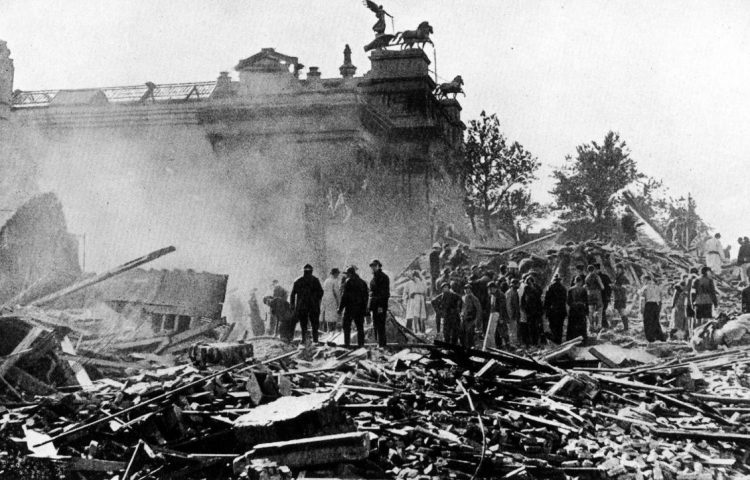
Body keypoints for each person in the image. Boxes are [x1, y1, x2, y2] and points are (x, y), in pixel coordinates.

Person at [290, 264, 324, 344]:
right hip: (313, 306)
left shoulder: (298, 281)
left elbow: (292, 294)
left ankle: (304, 339)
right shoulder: (315, 280)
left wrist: (292, 306)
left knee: (303, 324)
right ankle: (315, 340)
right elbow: (321, 292)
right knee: (314, 324)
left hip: (302, 306)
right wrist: (316, 299)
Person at [338, 266, 369, 347]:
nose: (346, 276)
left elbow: (345, 297)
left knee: (346, 327)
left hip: (350, 308)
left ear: (350, 274)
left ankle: (347, 344)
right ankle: (361, 345)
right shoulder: (363, 282)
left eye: (347, 274)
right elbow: (366, 297)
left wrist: (340, 309)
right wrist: (365, 308)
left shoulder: (348, 282)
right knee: (360, 328)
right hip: (360, 309)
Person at [368, 259, 390, 348]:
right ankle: (379, 343)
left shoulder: (383, 277)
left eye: (374, 266)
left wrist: (380, 306)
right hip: (374, 305)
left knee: (380, 324)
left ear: (379, 266)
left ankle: (382, 344)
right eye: (372, 266)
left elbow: (385, 294)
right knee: (375, 324)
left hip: (380, 305)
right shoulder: (373, 278)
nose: (373, 268)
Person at [640, 275, 666, 342]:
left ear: (646, 280)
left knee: (647, 321)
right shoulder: (657, 287)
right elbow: (661, 299)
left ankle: (650, 338)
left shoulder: (645, 288)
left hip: (648, 305)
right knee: (655, 321)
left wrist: (641, 308)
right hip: (656, 305)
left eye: (643, 280)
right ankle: (660, 337)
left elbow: (642, 299)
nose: (642, 282)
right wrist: (659, 308)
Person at [544, 274, 568, 344]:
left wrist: (546, 310)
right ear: (560, 280)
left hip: (553, 310)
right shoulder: (563, 288)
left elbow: (547, 300)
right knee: (560, 326)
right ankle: (559, 341)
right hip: (561, 310)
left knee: (553, 326)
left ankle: (555, 340)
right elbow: (565, 300)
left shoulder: (550, 287)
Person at [521, 276, 544, 346]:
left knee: (538, 326)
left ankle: (539, 341)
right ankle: (534, 342)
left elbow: (539, 293)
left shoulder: (537, 287)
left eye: (531, 281)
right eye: (528, 281)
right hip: (530, 311)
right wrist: (524, 308)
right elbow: (524, 299)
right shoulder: (526, 288)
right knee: (531, 327)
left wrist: (533, 287)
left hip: (537, 311)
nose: (530, 282)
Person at [488, 281, 510, 348]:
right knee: (496, 332)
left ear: (494, 288)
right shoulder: (492, 295)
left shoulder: (500, 295)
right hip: (495, 316)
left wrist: (501, 318)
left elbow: (502, 307)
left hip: (501, 316)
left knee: (503, 331)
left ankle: (508, 345)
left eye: (491, 288)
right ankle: (499, 346)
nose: (490, 290)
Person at [567, 276, 589, 341]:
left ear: (575, 282)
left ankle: (571, 339)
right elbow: (586, 301)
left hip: (573, 309)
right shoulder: (584, 290)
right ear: (581, 282)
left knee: (572, 324)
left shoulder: (570, 289)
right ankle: (582, 340)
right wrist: (586, 310)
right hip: (581, 309)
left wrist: (573, 304)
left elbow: (568, 301)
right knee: (581, 325)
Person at [460, 283, 482, 348]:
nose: (467, 291)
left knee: (470, 335)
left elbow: (479, 309)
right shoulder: (463, 297)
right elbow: (461, 308)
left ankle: (470, 348)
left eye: (468, 289)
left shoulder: (474, 298)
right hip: (463, 318)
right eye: (466, 289)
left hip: (471, 319)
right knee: (462, 334)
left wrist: (476, 320)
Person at [321, 268, 342, 333]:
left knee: (328, 317)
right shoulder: (334, 281)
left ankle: (329, 331)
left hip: (326, 301)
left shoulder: (326, 281)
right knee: (333, 318)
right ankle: (332, 332)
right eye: (337, 273)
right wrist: (339, 303)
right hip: (333, 301)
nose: (338, 275)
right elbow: (337, 293)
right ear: (335, 273)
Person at [585, 265, 605, 332]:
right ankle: (599, 326)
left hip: (589, 294)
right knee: (600, 309)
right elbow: (602, 287)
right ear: (594, 269)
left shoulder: (586, 277)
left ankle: (591, 326)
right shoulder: (596, 276)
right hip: (597, 294)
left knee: (591, 311)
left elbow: (586, 287)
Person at [612, 264, 630, 331]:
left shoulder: (623, 277)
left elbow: (625, 287)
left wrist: (615, 287)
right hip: (618, 296)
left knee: (622, 310)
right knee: (620, 310)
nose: (617, 270)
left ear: (622, 269)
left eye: (618, 269)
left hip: (621, 296)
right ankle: (625, 327)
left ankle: (626, 327)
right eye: (616, 269)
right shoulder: (618, 277)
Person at [505, 278, 521, 346]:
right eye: (517, 284)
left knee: (514, 329)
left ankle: (515, 342)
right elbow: (508, 305)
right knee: (512, 329)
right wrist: (511, 315)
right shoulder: (510, 293)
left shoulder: (514, 292)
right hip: (512, 315)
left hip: (515, 314)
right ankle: (513, 343)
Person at [596, 263, 613, 329]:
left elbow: (609, 288)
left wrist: (608, 295)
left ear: (598, 269)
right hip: (602, 296)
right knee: (601, 311)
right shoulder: (604, 276)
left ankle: (604, 325)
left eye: (596, 269)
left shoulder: (604, 277)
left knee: (602, 310)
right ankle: (604, 325)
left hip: (603, 296)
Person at [685, 267, 699, 333]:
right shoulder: (697, 280)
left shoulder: (688, 280)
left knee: (689, 318)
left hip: (687, 301)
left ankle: (690, 333)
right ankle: (694, 333)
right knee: (695, 318)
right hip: (695, 301)